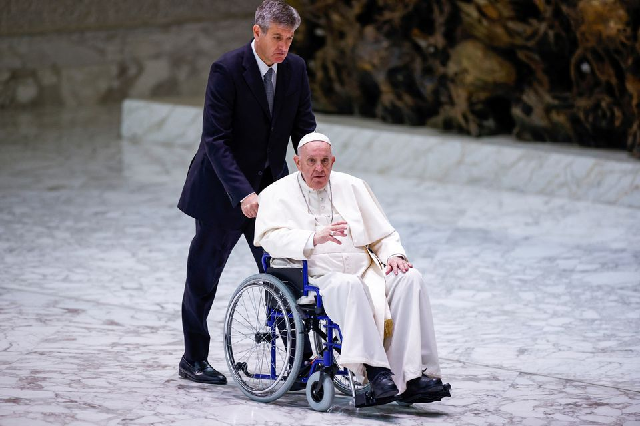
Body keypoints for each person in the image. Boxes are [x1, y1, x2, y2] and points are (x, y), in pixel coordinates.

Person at [177, 0, 316, 385]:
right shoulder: (226, 69)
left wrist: (313, 160)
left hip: (270, 191)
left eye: (289, 39)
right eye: (277, 38)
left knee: (283, 273)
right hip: (221, 190)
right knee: (202, 279)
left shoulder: (296, 69)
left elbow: (304, 127)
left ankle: (296, 362)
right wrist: (243, 193)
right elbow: (216, 140)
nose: (283, 47)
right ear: (257, 32)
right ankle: (193, 359)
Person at [254, 132, 450, 403]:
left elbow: (383, 234)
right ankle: (375, 372)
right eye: (311, 161)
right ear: (298, 162)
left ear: (333, 161)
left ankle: (413, 376)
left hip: (366, 270)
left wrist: (394, 255)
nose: (319, 168)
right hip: (318, 276)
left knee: (409, 278)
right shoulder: (277, 194)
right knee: (349, 285)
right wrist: (312, 238)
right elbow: (269, 238)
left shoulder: (353, 186)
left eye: (325, 161)